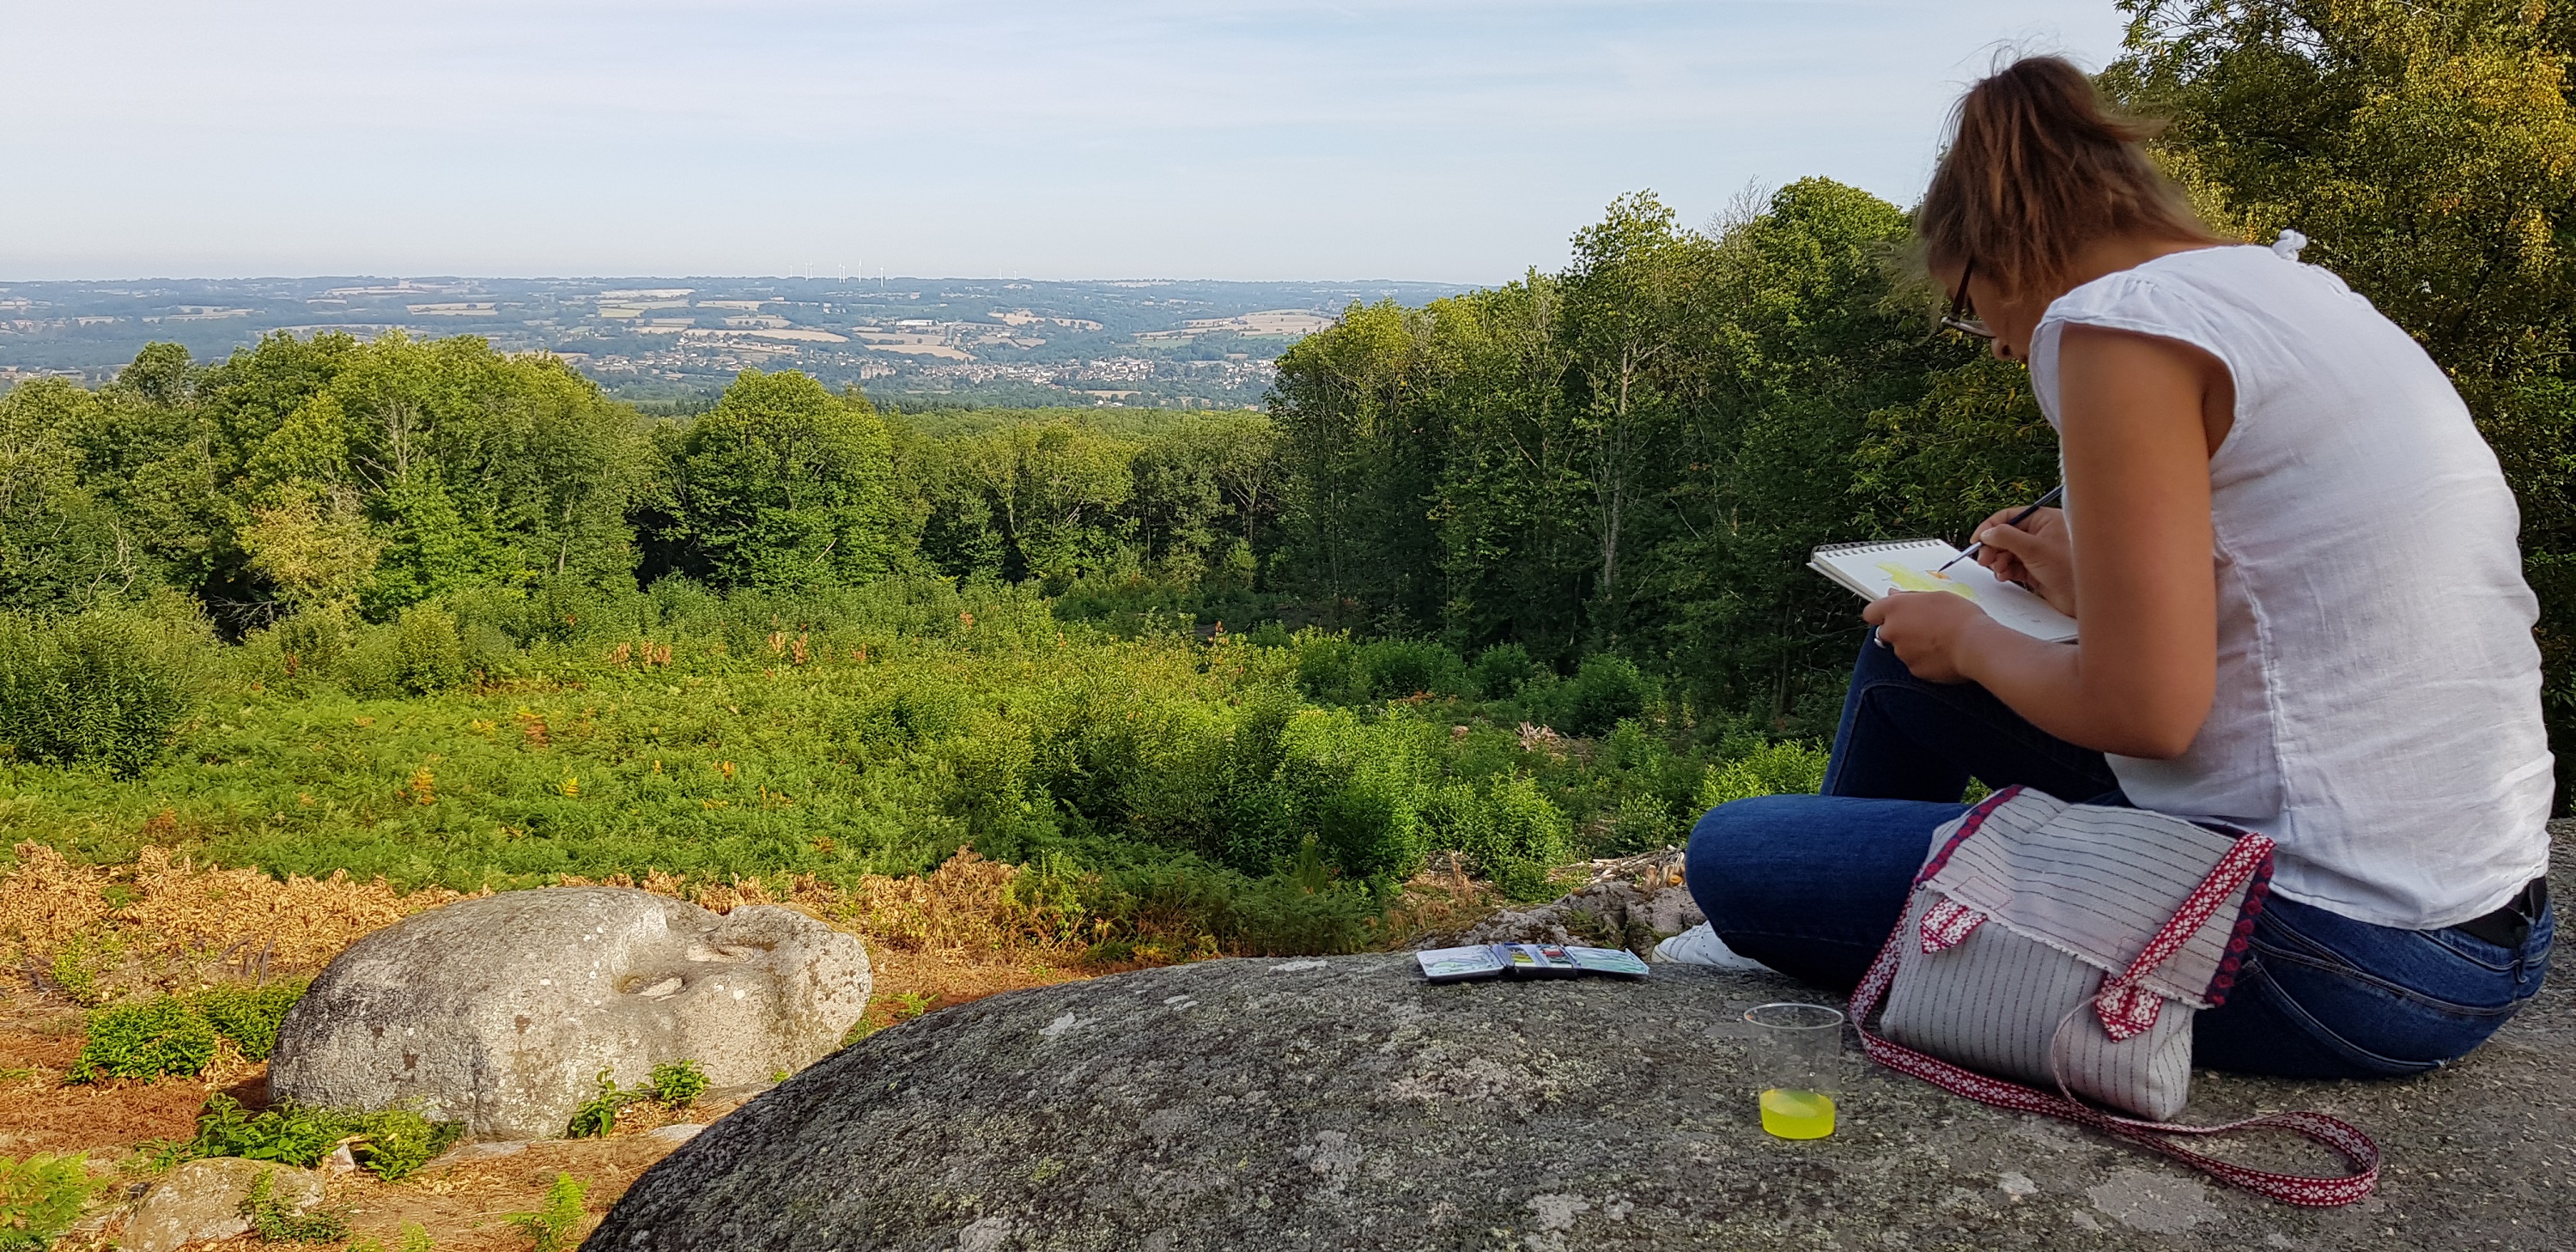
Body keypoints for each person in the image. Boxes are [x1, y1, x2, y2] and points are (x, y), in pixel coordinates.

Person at [1657, 55, 2555, 1079]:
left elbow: (2147, 714)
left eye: (1965, 305)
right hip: (2483, 922)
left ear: (2002, 249)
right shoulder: (2280, 292)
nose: (1991, 344)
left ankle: (1813, 919)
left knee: (1740, 857)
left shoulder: (2116, 326)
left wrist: (1977, 637)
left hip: (2337, 947)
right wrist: (2078, 590)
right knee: (1910, 650)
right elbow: (2290, 609)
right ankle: (1863, 896)